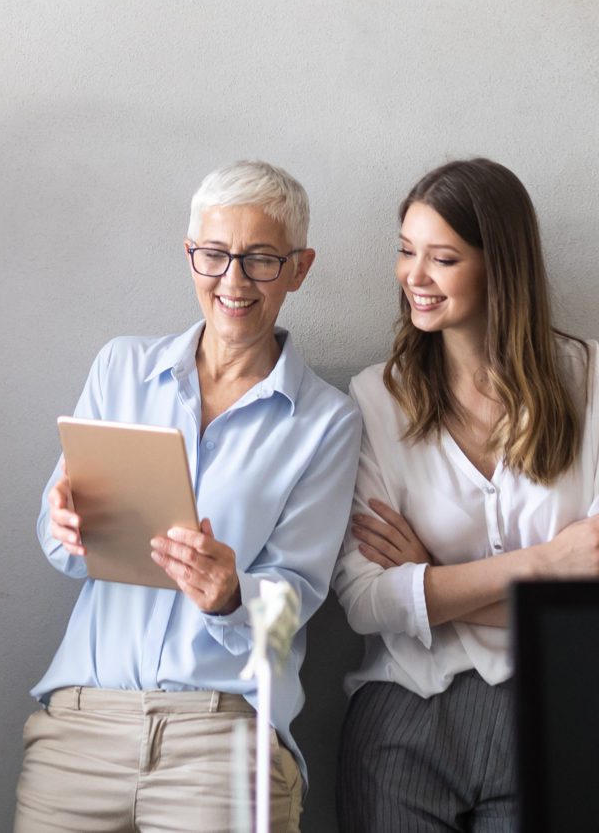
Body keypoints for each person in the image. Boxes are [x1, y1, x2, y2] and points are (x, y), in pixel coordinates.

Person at [19, 160, 364, 833]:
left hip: (222, 739)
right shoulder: (122, 368)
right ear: (190, 255)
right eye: (214, 254)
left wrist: (232, 595)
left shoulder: (326, 420)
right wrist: (61, 525)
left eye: (261, 259)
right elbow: (59, 544)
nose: (233, 280)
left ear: (299, 267)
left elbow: (295, 607)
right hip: (82, 726)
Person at [333, 158, 599, 833]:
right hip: (404, 714)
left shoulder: (596, 382)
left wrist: (435, 585)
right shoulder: (376, 398)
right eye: (405, 250)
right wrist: (548, 563)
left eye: (442, 257)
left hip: (558, 707)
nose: (412, 276)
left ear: (499, 266)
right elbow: (365, 602)